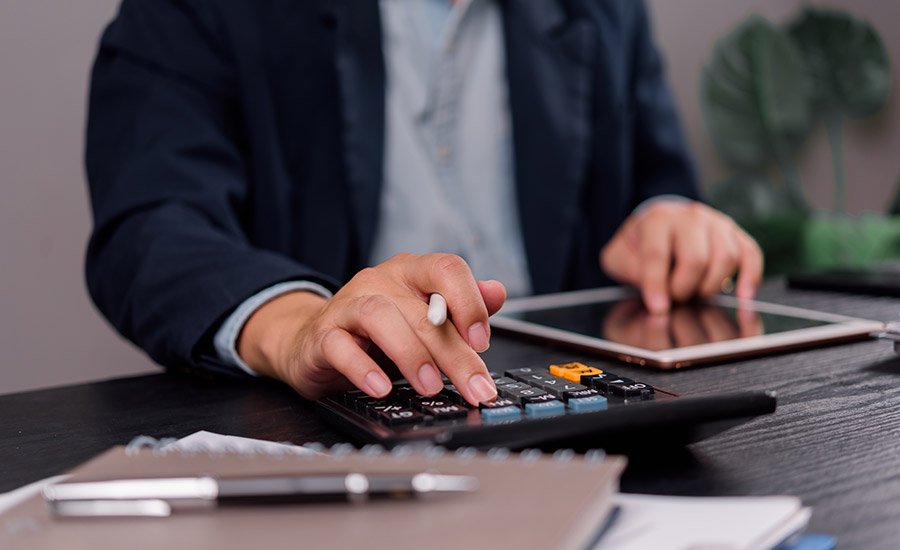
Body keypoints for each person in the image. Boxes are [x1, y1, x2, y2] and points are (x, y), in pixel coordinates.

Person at [85, 0, 762, 407]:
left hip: (578, 407)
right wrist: (296, 325)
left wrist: (665, 218)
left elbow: (656, 177)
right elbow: (150, 221)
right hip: (331, 427)